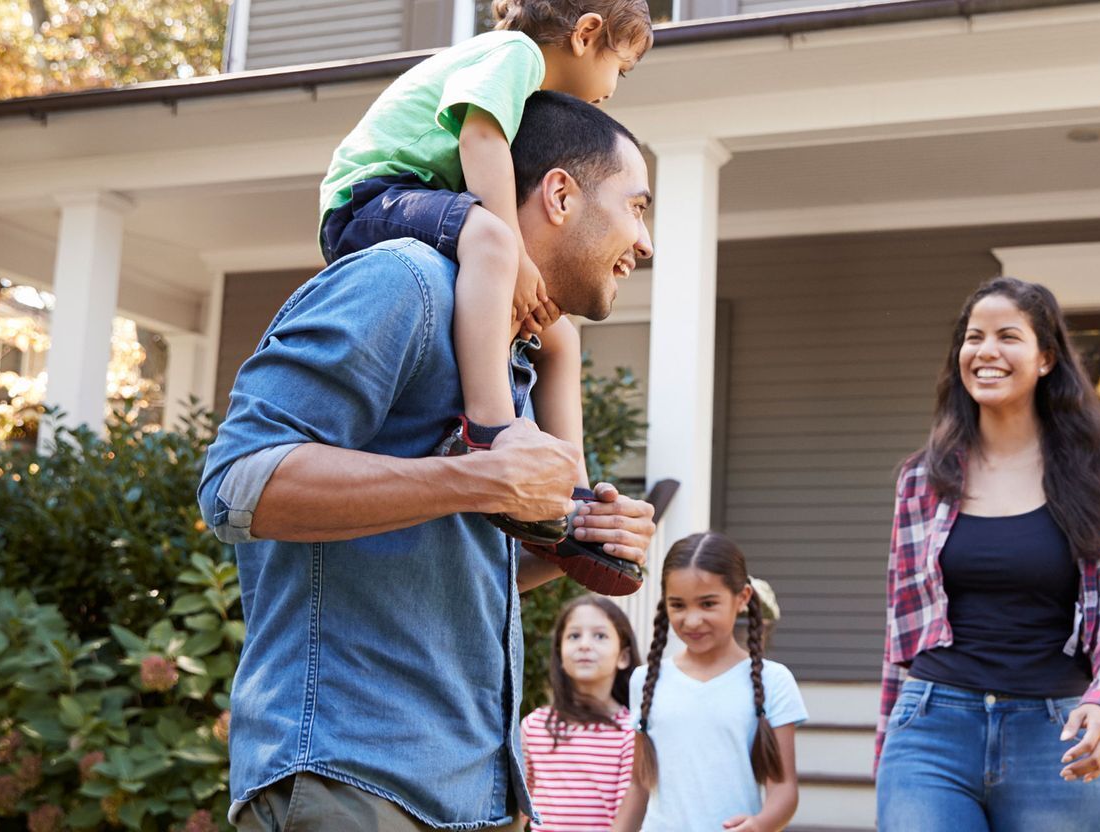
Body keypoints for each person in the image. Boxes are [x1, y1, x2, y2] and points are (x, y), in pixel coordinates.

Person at [198, 91, 657, 832]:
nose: (645, 241)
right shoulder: (401, 283)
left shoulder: (513, 366)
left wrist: (582, 541)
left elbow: (454, 550)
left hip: (476, 795)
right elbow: (236, 485)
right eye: (636, 207)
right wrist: (478, 478)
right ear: (561, 195)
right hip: (352, 781)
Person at [317, 0, 653, 583]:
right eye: (618, 70)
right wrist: (515, 254)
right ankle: (492, 432)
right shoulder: (514, 55)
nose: (612, 90)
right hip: (371, 196)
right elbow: (478, 140)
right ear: (587, 34)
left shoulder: (516, 82)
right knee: (491, 240)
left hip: (417, 201)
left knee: (560, 337)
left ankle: (569, 498)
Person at [873, 276, 1100, 832]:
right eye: (973, 337)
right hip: (932, 729)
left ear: (1046, 358)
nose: (986, 351)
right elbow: (900, 634)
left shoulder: (1097, 478)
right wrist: (887, 746)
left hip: (1054, 735)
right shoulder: (921, 479)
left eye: (1007, 336)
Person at [614, 533, 805, 832]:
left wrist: (758, 825)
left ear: (742, 598)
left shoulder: (774, 681)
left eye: (707, 604)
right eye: (678, 605)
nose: (691, 621)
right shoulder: (645, 679)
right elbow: (639, 785)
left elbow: (784, 790)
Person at [523, 596, 640, 832]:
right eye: (574, 636)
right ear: (560, 655)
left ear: (623, 656)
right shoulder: (534, 726)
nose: (585, 645)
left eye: (600, 636)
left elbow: (629, 822)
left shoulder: (632, 731)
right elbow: (518, 808)